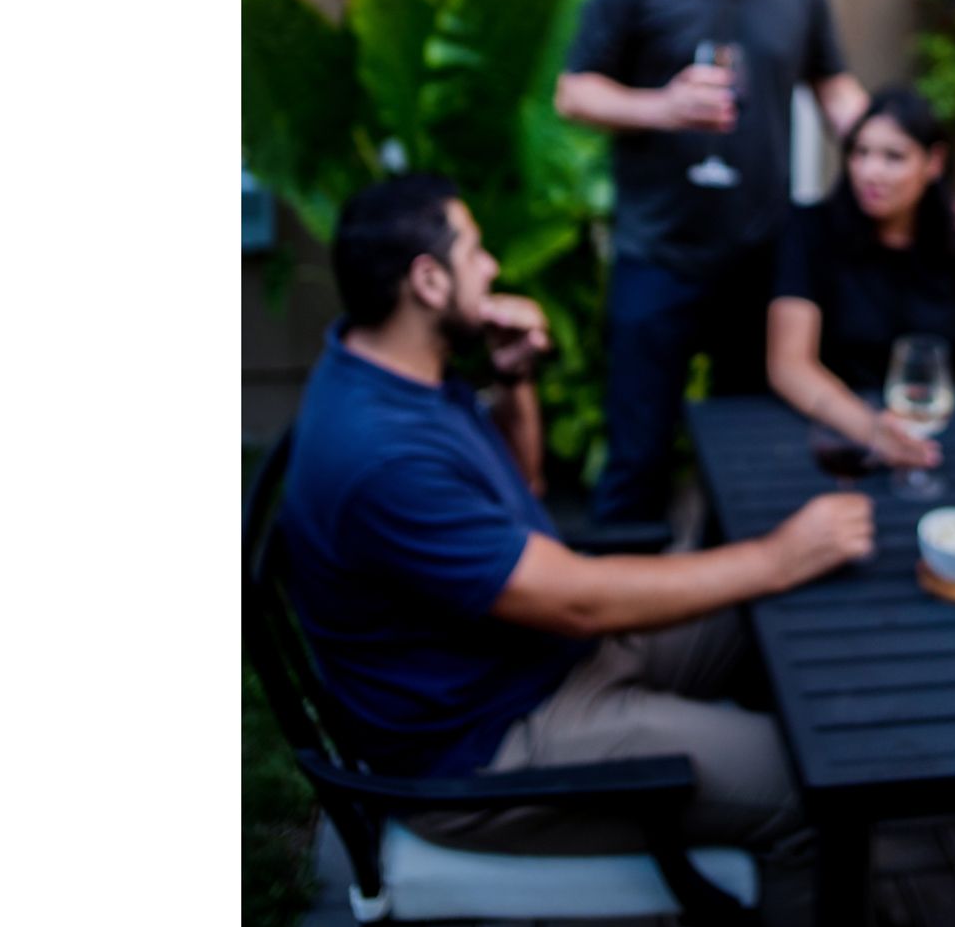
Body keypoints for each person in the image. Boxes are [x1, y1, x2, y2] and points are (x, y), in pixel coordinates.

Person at [279, 175, 876, 867]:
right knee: (813, 783)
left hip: (535, 654)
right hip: (490, 744)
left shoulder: (397, 371)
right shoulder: (382, 453)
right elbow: (577, 601)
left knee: (782, 608)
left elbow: (521, 488)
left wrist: (514, 379)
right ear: (428, 281)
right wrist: (778, 555)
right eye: (473, 252)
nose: (491, 268)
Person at [555, 0, 871, 521]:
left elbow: (835, 90)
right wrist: (661, 107)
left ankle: (737, 576)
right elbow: (573, 93)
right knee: (637, 452)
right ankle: (623, 583)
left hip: (760, 253)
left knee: (752, 443)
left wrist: (895, 157)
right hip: (657, 254)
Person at [767, 87, 955, 466]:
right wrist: (873, 431)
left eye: (893, 157)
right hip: (830, 438)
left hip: (935, 444)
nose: (869, 172)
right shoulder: (811, 231)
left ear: (934, 162)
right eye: (860, 152)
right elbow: (788, 366)